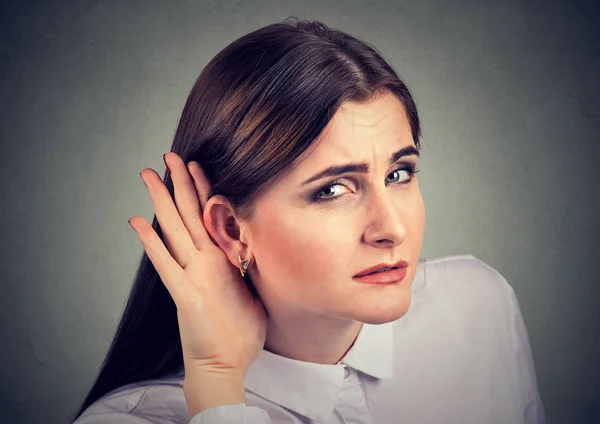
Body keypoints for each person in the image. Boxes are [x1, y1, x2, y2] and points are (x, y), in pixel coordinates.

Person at [70, 18, 546, 424]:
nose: (392, 229)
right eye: (332, 189)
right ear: (233, 229)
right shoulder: (133, 418)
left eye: (399, 173)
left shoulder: (481, 308)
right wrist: (217, 383)